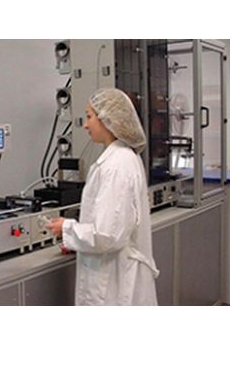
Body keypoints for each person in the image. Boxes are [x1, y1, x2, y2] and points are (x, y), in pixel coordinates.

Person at [46, 88, 159, 306]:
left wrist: (67, 228)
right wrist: (76, 239)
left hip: (115, 283)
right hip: (115, 273)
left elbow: (107, 235)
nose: (85, 125)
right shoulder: (122, 158)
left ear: (108, 119)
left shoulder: (116, 166)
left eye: (89, 116)